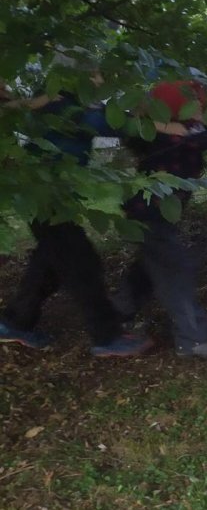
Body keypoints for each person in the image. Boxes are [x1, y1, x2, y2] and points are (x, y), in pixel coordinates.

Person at [0, 82, 153, 357]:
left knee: (51, 260)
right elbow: (121, 128)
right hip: (44, 197)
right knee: (82, 264)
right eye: (93, 73)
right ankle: (107, 336)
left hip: (50, 198)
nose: (99, 78)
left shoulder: (67, 102)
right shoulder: (66, 105)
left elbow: (117, 128)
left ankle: (15, 322)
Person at [116, 80, 207, 359]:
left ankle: (113, 315)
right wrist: (167, 126)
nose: (202, 111)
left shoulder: (184, 131)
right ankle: (193, 339)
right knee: (175, 271)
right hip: (148, 213)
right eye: (197, 106)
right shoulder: (168, 137)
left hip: (154, 214)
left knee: (151, 266)